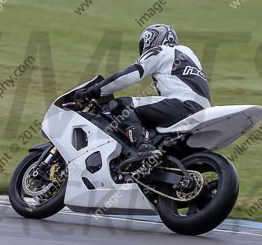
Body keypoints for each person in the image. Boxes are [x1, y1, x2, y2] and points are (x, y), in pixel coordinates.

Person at [75, 24, 210, 155]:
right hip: (202, 110)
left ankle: (144, 146)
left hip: (183, 105)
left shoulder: (160, 51)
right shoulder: (189, 54)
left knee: (120, 105)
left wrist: (94, 91)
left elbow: (127, 76)